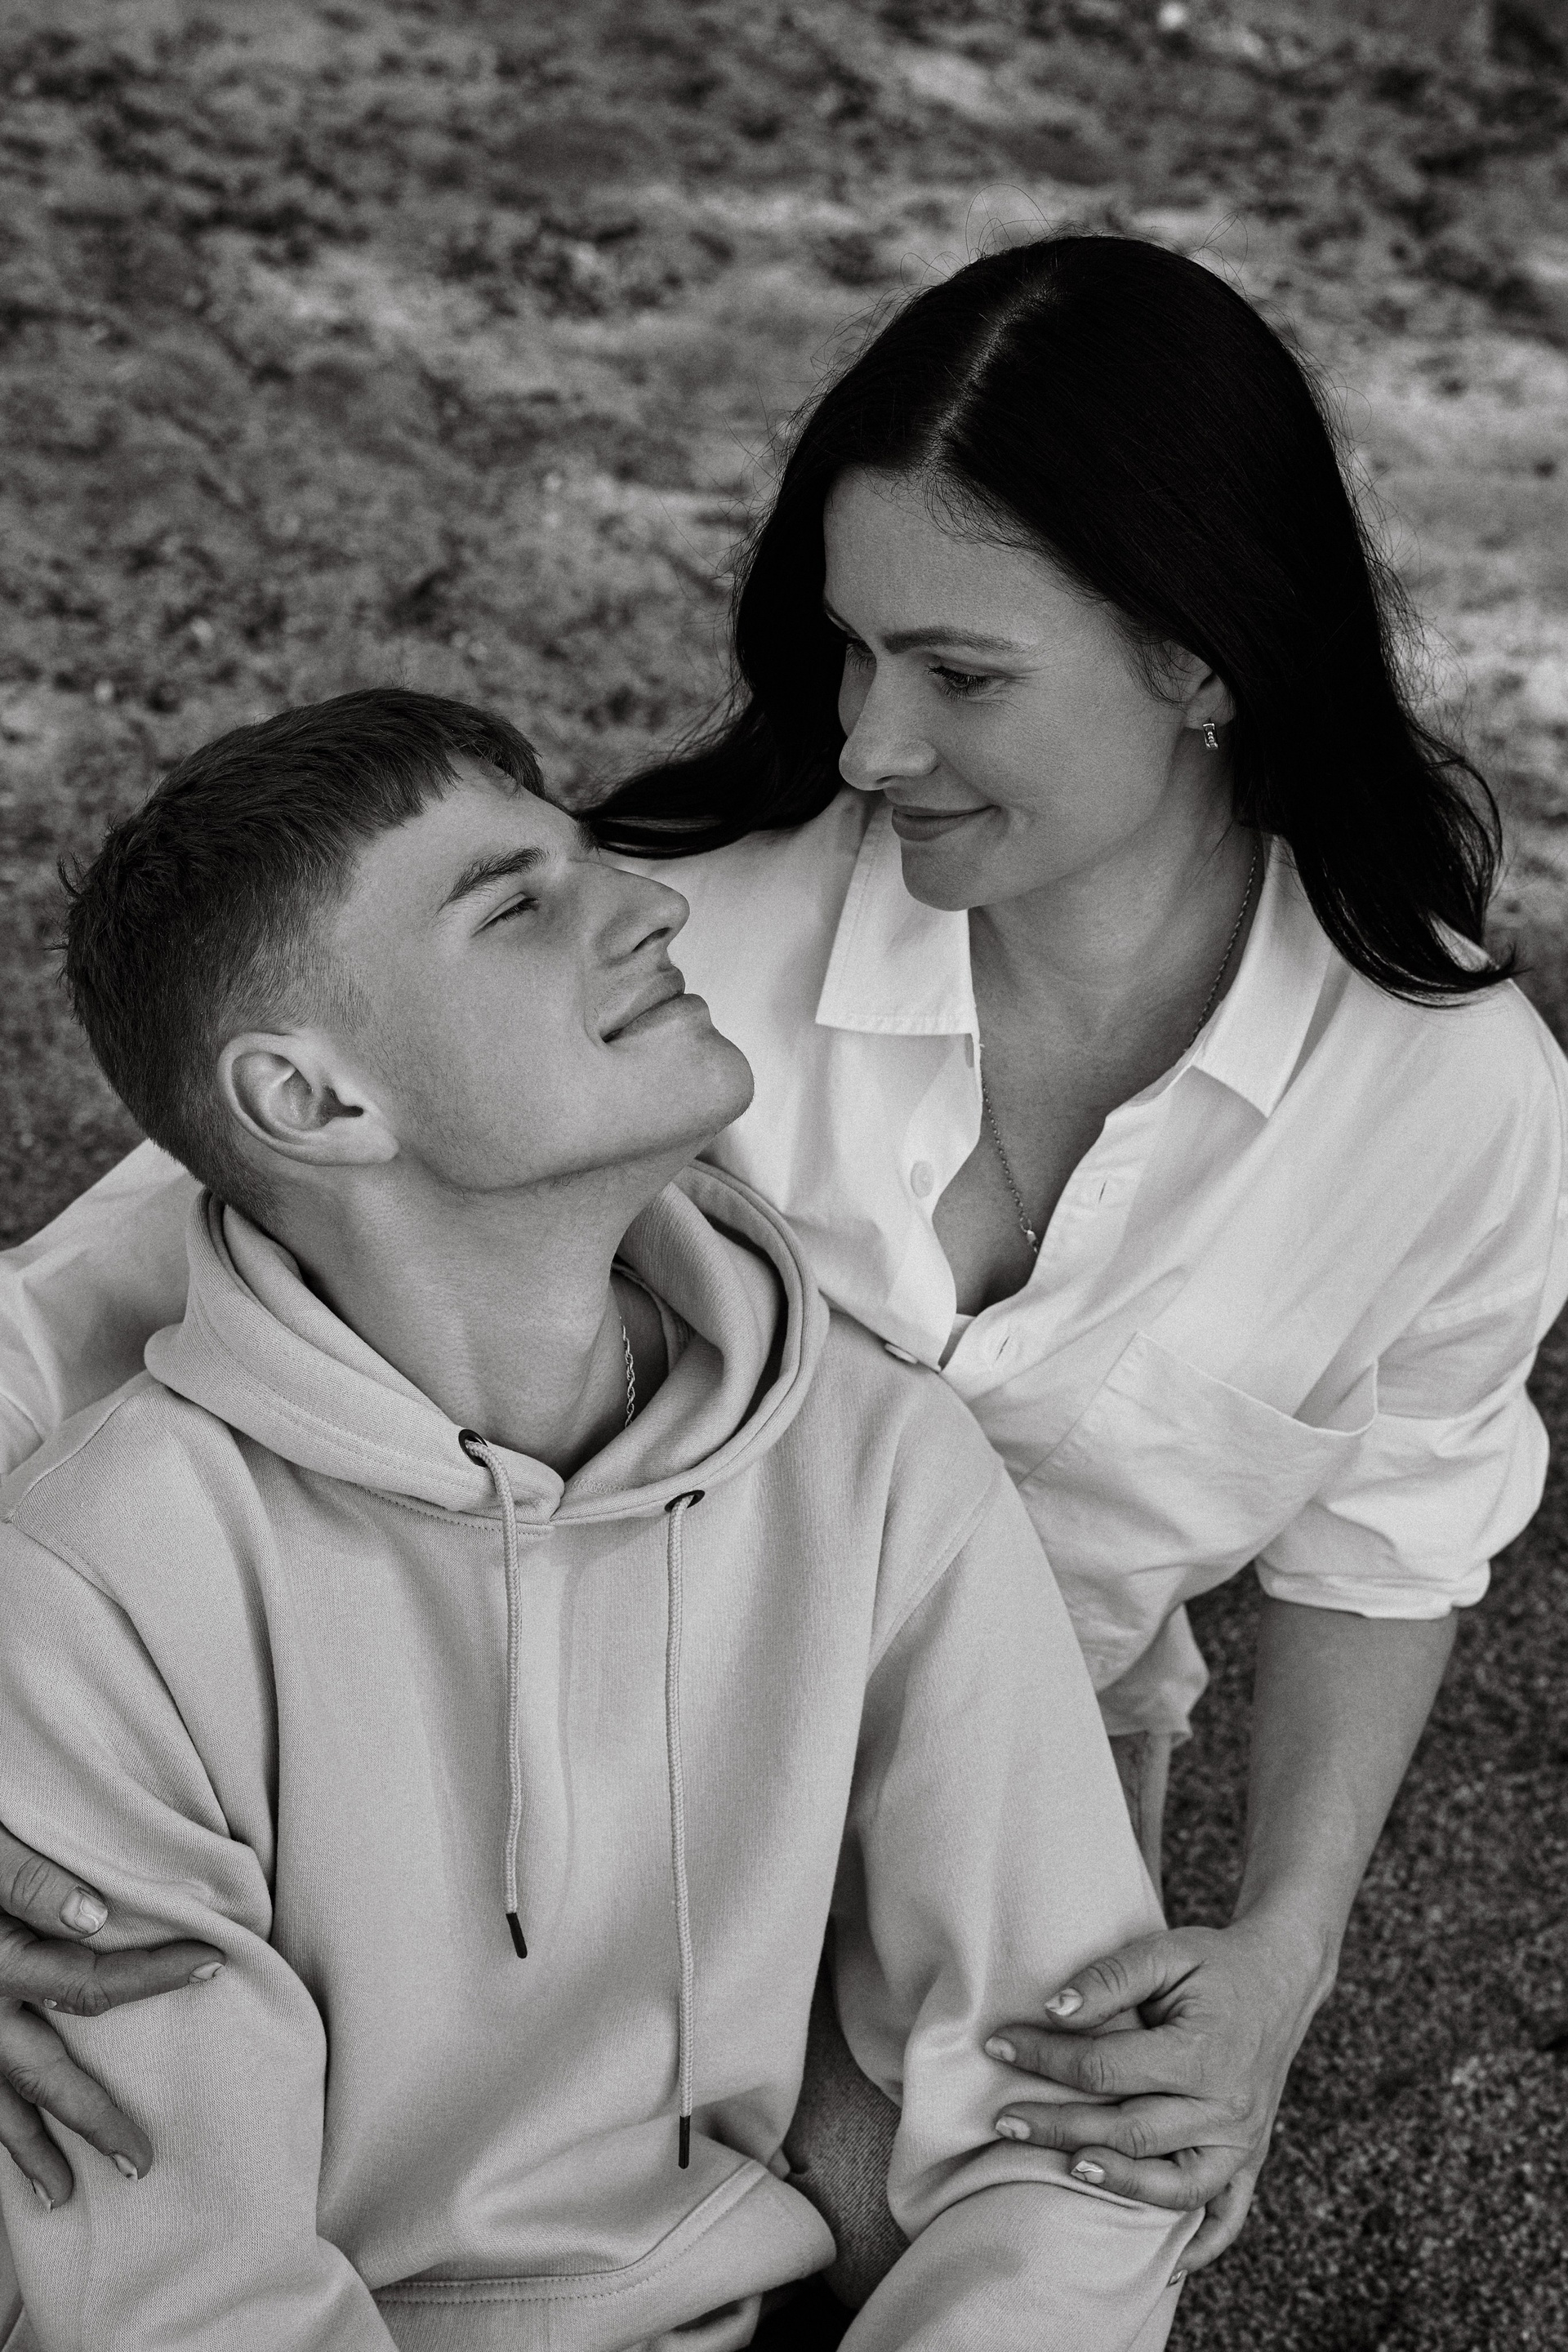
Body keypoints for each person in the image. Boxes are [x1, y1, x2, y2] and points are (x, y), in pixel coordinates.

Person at [1, 231, 1566, 2287]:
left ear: (1201, 660)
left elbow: (1390, 1542)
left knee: (1074, 2203)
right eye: (850, 650)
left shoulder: (1459, 1102)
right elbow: (112, 1290)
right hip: (523, 1785)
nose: (868, 743)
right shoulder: (676, 956)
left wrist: (1283, 1952)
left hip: (998, 1816)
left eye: (961, 676)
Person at [0, 690, 1196, 2351]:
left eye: (589, 860)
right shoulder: (102, 1579)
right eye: (514, 905)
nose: (646, 902)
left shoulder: (873, 1457)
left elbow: (1074, 2109)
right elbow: (187, 2294)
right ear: (313, 1103)